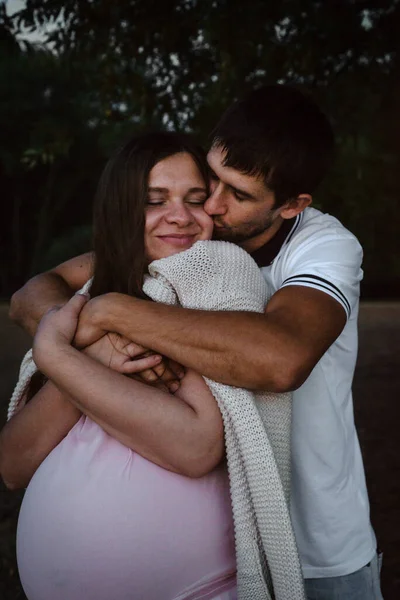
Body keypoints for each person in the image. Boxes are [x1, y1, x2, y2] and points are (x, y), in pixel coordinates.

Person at [8, 85, 382, 599]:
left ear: (293, 205)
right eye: (213, 180)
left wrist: (111, 314)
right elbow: (35, 292)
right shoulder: (190, 240)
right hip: (226, 534)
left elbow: (280, 359)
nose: (215, 206)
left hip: (316, 539)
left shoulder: (323, 247)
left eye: (241, 195)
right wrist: (77, 340)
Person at [1, 132, 240, 600]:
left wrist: (61, 357)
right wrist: (92, 360)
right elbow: (12, 465)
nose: (181, 217)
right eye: (155, 201)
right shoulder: (87, 306)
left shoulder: (216, 292)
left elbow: (195, 447)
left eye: (196, 200)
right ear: (119, 211)